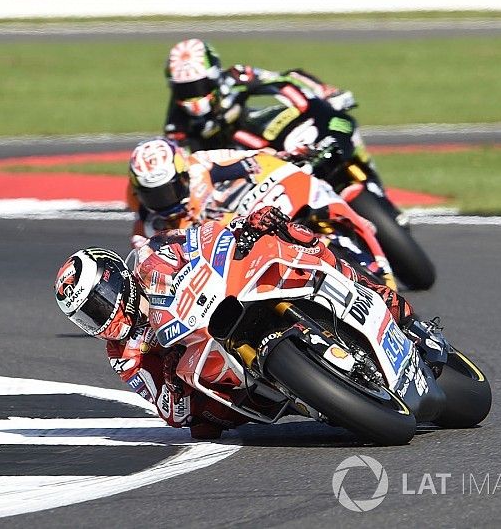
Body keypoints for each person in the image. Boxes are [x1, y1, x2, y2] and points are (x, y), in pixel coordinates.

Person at [54, 206, 419, 440]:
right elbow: (167, 409)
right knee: (202, 426)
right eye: (88, 316)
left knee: (291, 237)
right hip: (208, 364)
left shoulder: (151, 260)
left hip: (222, 299)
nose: (100, 318)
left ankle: (376, 293)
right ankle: (308, 397)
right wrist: (170, 379)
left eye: (98, 305)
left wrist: (246, 225)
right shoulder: (123, 354)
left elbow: (200, 238)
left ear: (116, 279)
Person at [125, 137, 394, 287]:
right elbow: (146, 261)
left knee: (303, 206)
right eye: (154, 194)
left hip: (245, 214)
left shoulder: (200, 165)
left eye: (168, 190)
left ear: (182, 176)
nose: (163, 201)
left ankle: (356, 244)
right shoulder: (149, 222)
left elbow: (250, 159)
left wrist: (285, 156)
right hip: (224, 254)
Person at [163, 38, 357, 154]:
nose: (193, 96)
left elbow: (285, 79)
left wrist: (324, 92)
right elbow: (184, 160)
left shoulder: (236, 76)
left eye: (198, 86)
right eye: (185, 90)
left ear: (214, 77)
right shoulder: (176, 124)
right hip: (234, 168)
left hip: (267, 138)